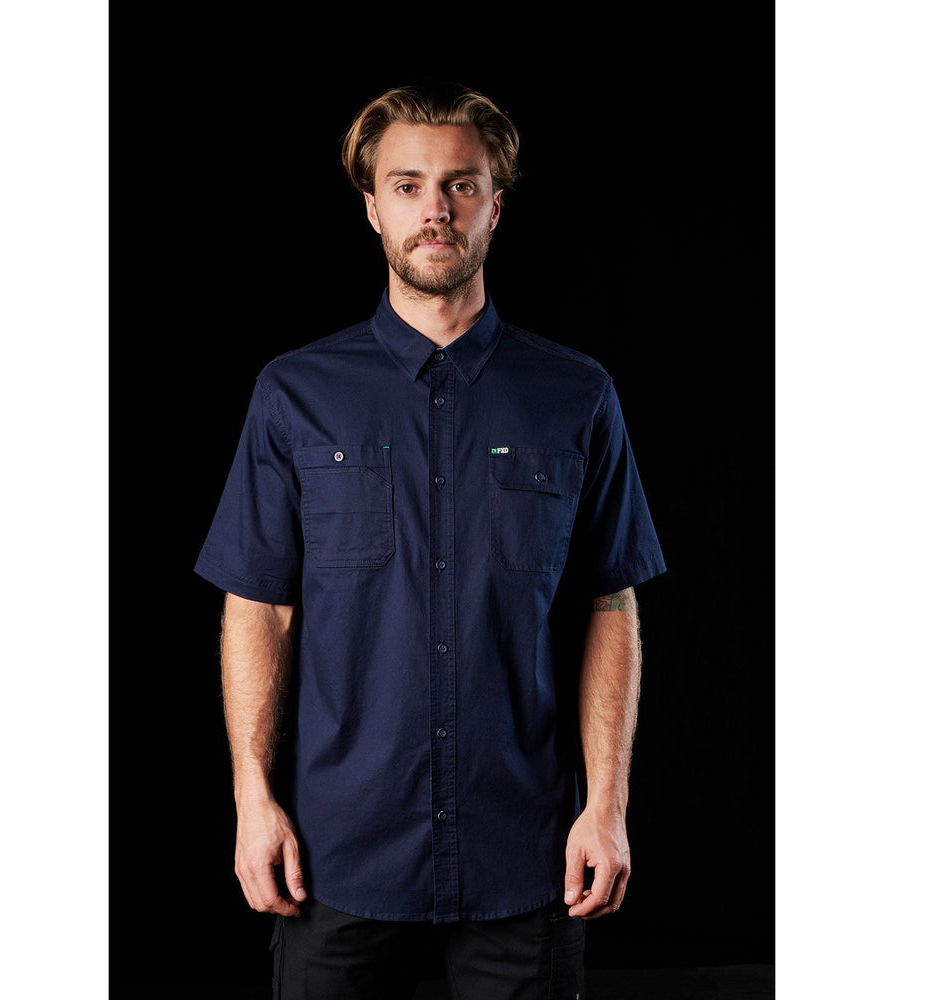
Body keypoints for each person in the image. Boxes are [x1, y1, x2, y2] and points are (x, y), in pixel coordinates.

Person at [194, 81, 666, 1000]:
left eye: (461, 185)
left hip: (528, 855)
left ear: (495, 204)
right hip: (336, 857)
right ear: (374, 208)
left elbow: (610, 601)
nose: (435, 209)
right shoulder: (294, 394)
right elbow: (259, 606)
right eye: (407, 186)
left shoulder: (577, 395)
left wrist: (606, 806)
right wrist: (253, 799)